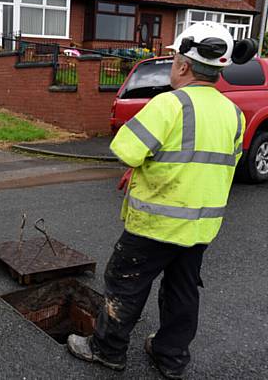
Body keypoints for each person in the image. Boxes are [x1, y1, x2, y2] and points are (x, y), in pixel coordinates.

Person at [67, 21, 246, 379]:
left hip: (155, 225)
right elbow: (214, 163)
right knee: (182, 290)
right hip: (200, 228)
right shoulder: (234, 113)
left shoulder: (170, 104)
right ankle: (171, 357)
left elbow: (125, 150)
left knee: (125, 282)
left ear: (182, 65)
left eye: (175, 59)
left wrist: (138, 166)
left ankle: (108, 351)